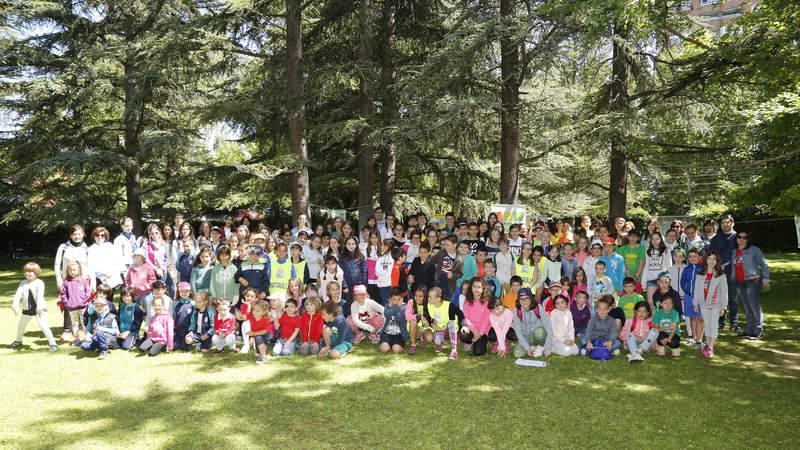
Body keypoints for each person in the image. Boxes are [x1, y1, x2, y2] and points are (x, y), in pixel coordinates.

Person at [10, 262, 58, 352]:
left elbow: (40, 296)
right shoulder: (23, 282)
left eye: (31, 271)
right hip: (27, 308)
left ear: (36, 273)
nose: (28, 273)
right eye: (26, 271)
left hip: (39, 309)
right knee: (21, 325)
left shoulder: (39, 283)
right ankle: (18, 340)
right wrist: (15, 304)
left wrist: (39, 308)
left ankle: (53, 343)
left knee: (43, 325)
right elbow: (18, 294)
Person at [731, 232, 770, 339]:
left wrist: (766, 278)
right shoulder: (734, 251)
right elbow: (733, 267)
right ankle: (749, 330)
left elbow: (764, 265)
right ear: (736, 239)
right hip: (739, 282)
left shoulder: (754, 250)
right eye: (739, 237)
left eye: (745, 237)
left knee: (754, 305)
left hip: (752, 280)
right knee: (747, 307)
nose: (741, 239)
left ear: (748, 239)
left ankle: (758, 329)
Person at [54, 224, 89, 339]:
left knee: (82, 305)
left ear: (83, 235)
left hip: (81, 281)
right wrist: (59, 280)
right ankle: (67, 330)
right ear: (70, 235)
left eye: (79, 234)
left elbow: (88, 265)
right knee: (68, 303)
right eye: (74, 234)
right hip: (67, 281)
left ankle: (82, 329)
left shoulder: (85, 248)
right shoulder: (63, 247)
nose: (77, 236)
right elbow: (57, 264)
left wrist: (89, 281)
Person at [694, 251, 728, 358]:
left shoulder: (720, 276)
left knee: (714, 326)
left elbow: (724, 292)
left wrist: (723, 307)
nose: (711, 261)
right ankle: (708, 345)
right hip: (704, 305)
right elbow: (696, 290)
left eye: (714, 259)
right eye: (709, 259)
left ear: (717, 261)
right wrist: (695, 303)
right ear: (706, 260)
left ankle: (711, 347)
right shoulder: (700, 275)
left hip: (716, 305)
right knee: (707, 325)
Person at [710, 215, 738, 332]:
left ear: (732, 223)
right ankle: (720, 322)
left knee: (733, 297)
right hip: (718, 271)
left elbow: (740, 253)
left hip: (733, 270)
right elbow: (711, 253)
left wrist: (727, 263)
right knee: (720, 297)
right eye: (723, 222)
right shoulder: (716, 238)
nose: (725, 224)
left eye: (727, 222)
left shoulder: (738, 237)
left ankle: (734, 323)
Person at [512, 288, 552, 358]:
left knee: (540, 332)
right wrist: (527, 348)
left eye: (527, 298)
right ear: (518, 300)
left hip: (537, 334)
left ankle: (540, 346)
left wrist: (548, 349)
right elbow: (518, 331)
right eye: (521, 299)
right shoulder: (517, 310)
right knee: (517, 354)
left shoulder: (538, 308)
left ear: (531, 298)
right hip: (525, 336)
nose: (524, 301)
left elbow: (549, 328)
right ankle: (531, 347)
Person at [58, 260, 92, 344]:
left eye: (74, 270)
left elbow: (88, 291)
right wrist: (67, 303)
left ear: (79, 270)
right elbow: (63, 294)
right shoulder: (66, 283)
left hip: (83, 307)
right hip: (72, 308)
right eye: (70, 270)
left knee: (85, 323)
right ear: (67, 271)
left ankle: (86, 338)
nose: (72, 272)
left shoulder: (83, 280)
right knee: (75, 324)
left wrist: (84, 299)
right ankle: (76, 339)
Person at [87, 226, 124, 299]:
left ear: (105, 236)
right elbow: (90, 266)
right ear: (94, 236)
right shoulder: (91, 249)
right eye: (97, 235)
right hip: (99, 279)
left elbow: (117, 261)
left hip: (112, 278)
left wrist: (113, 272)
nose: (100, 237)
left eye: (102, 235)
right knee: (100, 301)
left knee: (109, 300)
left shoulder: (110, 246)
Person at [80, 292, 119, 359]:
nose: (99, 307)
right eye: (96, 306)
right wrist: (88, 335)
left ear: (106, 306)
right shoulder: (92, 316)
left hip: (108, 338)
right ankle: (98, 346)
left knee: (99, 333)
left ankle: (104, 350)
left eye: (101, 305)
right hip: (95, 338)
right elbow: (88, 330)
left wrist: (102, 329)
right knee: (83, 345)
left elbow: (116, 331)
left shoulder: (111, 316)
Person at [459, 278, 492, 356]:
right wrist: (474, 331)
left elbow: (487, 320)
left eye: (478, 287)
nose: (476, 289)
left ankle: (480, 341)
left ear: (483, 288)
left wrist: (480, 333)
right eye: (474, 286)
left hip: (483, 330)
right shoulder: (467, 301)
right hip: (471, 329)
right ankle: (470, 342)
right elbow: (467, 318)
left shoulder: (487, 301)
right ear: (471, 287)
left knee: (478, 352)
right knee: (463, 336)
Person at [681, 248, 704, 347]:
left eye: (695, 256)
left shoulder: (703, 268)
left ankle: (699, 339)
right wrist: (687, 291)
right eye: (690, 256)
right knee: (692, 317)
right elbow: (683, 282)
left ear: (699, 257)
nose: (692, 258)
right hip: (689, 297)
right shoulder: (686, 269)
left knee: (700, 318)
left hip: (700, 298)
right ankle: (694, 338)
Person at [644, 232, 672, 308]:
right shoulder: (648, 251)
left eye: (657, 239)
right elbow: (646, 266)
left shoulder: (666, 251)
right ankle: (653, 319)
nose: (654, 241)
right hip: (651, 279)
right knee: (650, 302)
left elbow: (669, 266)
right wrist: (643, 281)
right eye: (652, 239)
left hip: (662, 279)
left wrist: (670, 280)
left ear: (661, 240)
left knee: (662, 302)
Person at [116, 287, 144, 351]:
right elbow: (118, 320)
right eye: (123, 296)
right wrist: (117, 330)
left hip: (131, 332)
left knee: (125, 347)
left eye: (128, 296)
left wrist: (127, 332)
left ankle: (137, 339)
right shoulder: (122, 306)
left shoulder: (136, 308)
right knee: (115, 345)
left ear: (132, 296)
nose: (125, 298)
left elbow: (137, 323)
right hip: (121, 332)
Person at [172, 282, 195, 351]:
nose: (184, 293)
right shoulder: (175, 303)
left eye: (186, 291)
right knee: (174, 346)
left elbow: (194, 319)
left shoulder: (193, 303)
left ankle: (189, 341)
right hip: (178, 330)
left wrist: (191, 330)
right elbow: (173, 316)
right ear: (178, 292)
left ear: (190, 292)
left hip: (188, 330)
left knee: (184, 347)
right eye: (182, 291)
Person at [375, 239, 394, 305]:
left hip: (391, 285)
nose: (381, 246)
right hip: (382, 286)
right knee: (384, 304)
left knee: (393, 304)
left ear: (387, 247)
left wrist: (382, 276)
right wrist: (383, 275)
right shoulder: (380, 257)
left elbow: (391, 273)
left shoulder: (393, 257)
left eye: (382, 245)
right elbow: (377, 271)